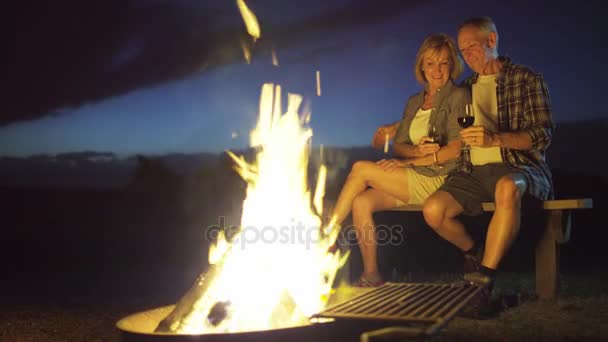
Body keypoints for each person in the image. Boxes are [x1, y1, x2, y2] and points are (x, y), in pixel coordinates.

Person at [422, 17, 554, 314]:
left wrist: (495, 138)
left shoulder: (526, 79)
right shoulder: (464, 87)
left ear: (491, 42)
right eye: (462, 50)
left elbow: (543, 135)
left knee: (507, 188)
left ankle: (482, 283)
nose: (467, 55)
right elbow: (440, 128)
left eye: (472, 46)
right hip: (471, 173)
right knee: (433, 211)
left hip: (520, 168)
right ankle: (476, 254)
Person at [327, 33, 468, 287]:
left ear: (452, 65)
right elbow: (401, 146)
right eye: (430, 64)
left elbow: (456, 150)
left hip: (440, 177)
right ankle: (372, 274)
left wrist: (416, 160)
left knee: (361, 169)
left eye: (444, 63)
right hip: (415, 173)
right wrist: (415, 153)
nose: (437, 70)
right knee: (360, 202)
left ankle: (328, 236)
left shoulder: (458, 97)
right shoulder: (414, 102)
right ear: (422, 67)